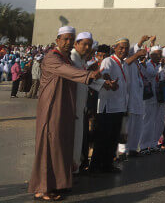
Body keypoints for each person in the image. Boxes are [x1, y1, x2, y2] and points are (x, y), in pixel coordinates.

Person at [28, 26, 103, 201]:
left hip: (64, 109)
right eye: (66, 39)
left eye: (71, 39)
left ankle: (54, 185)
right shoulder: (52, 58)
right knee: (48, 148)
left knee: (59, 149)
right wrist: (90, 74)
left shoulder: (67, 59)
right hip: (51, 110)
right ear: (58, 40)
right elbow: (68, 72)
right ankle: (42, 188)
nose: (69, 43)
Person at [90, 38, 134, 174]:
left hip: (119, 106)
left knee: (113, 138)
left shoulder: (125, 65)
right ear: (114, 48)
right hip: (107, 107)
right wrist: (108, 80)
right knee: (103, 138)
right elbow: (103, 73)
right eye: (121, 47)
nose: (123, 50)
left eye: (126, 48)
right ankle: (95, 167)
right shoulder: (109, 60)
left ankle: (108, 164)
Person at [70, 33, 107, 174]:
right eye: (84, 44)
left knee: (79, 140)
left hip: (81, 107)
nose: (88, 48)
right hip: (73, 107)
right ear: (76, 44)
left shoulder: (81, 60)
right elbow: (82, 77)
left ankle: (76, 168)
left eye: (90, 46)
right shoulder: (72, 59)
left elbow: (88, 79)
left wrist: (104, 83)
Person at [140, 45, 165, 153]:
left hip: (159, 97)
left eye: (160, 53)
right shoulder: (147, 64)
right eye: (156, 53)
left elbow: (162, 77)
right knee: (148, 121)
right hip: (150, 97)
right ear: (151, 54)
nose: (159, 56)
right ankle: (143, 145)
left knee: (159, 121)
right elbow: (152, 74)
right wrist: (161, 67)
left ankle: (154, 143)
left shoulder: (159, 65)